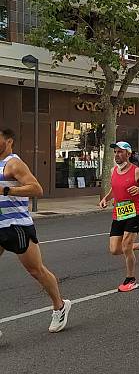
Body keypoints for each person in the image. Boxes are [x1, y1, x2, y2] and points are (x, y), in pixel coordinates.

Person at [0, 128, 71, 334]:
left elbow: (37, 189)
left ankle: (59, 306)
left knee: (36, 270)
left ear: (9, 141)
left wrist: (6, 189)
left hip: (17, 226)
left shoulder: (14, 163)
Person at [99, 141, 139, 292]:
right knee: (115, 249)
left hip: (134, 212)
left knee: (125, 246)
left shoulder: (137, 172)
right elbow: (114, 188)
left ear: (128, 154)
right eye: (115, 152)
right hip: (119, 213)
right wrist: (106, 198)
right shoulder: (113, 171)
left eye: (120, 152)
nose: (117, 155)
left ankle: (131, 279)